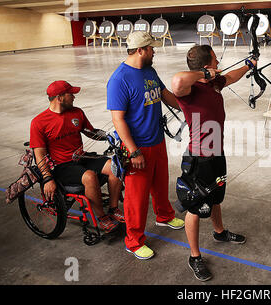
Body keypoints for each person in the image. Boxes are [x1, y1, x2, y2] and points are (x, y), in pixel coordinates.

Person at [171, 45, 250, 281]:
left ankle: (219, 232)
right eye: (216, 60)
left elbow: (231, 76)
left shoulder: (215, 83)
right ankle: (194, 257)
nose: (219, 62)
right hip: (199, 158)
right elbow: (176, 81)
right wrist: (204, 75)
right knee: (195, 206)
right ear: (206, 66)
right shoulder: (188, 89)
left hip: (217, 153)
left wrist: (249, 65)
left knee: (216, 197)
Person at [107, 31, 185, 260]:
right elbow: (118, 119)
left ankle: (164, 215)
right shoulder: (119, 79)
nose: (155, 51)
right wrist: (133, 151)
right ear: (141, 50)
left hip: (157, 140)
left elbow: (165, 95)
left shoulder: (149, 71)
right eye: (152, 48)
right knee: (136, 198)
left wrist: (188, 106)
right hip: (137, 148)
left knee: (160, 184)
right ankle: (133, 241)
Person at [30, 80, 124, 233]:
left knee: (115, 166)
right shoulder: (39, 122)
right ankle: (101, 218)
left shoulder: (77, 112)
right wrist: (47, 178)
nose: (74, 97)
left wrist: (109, 136)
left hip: (81, 158)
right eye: (71, 94)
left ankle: (113, 209)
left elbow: (90, 132)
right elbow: (39, 153)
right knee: (89, 177)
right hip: (61, 166)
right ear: (59, 98)